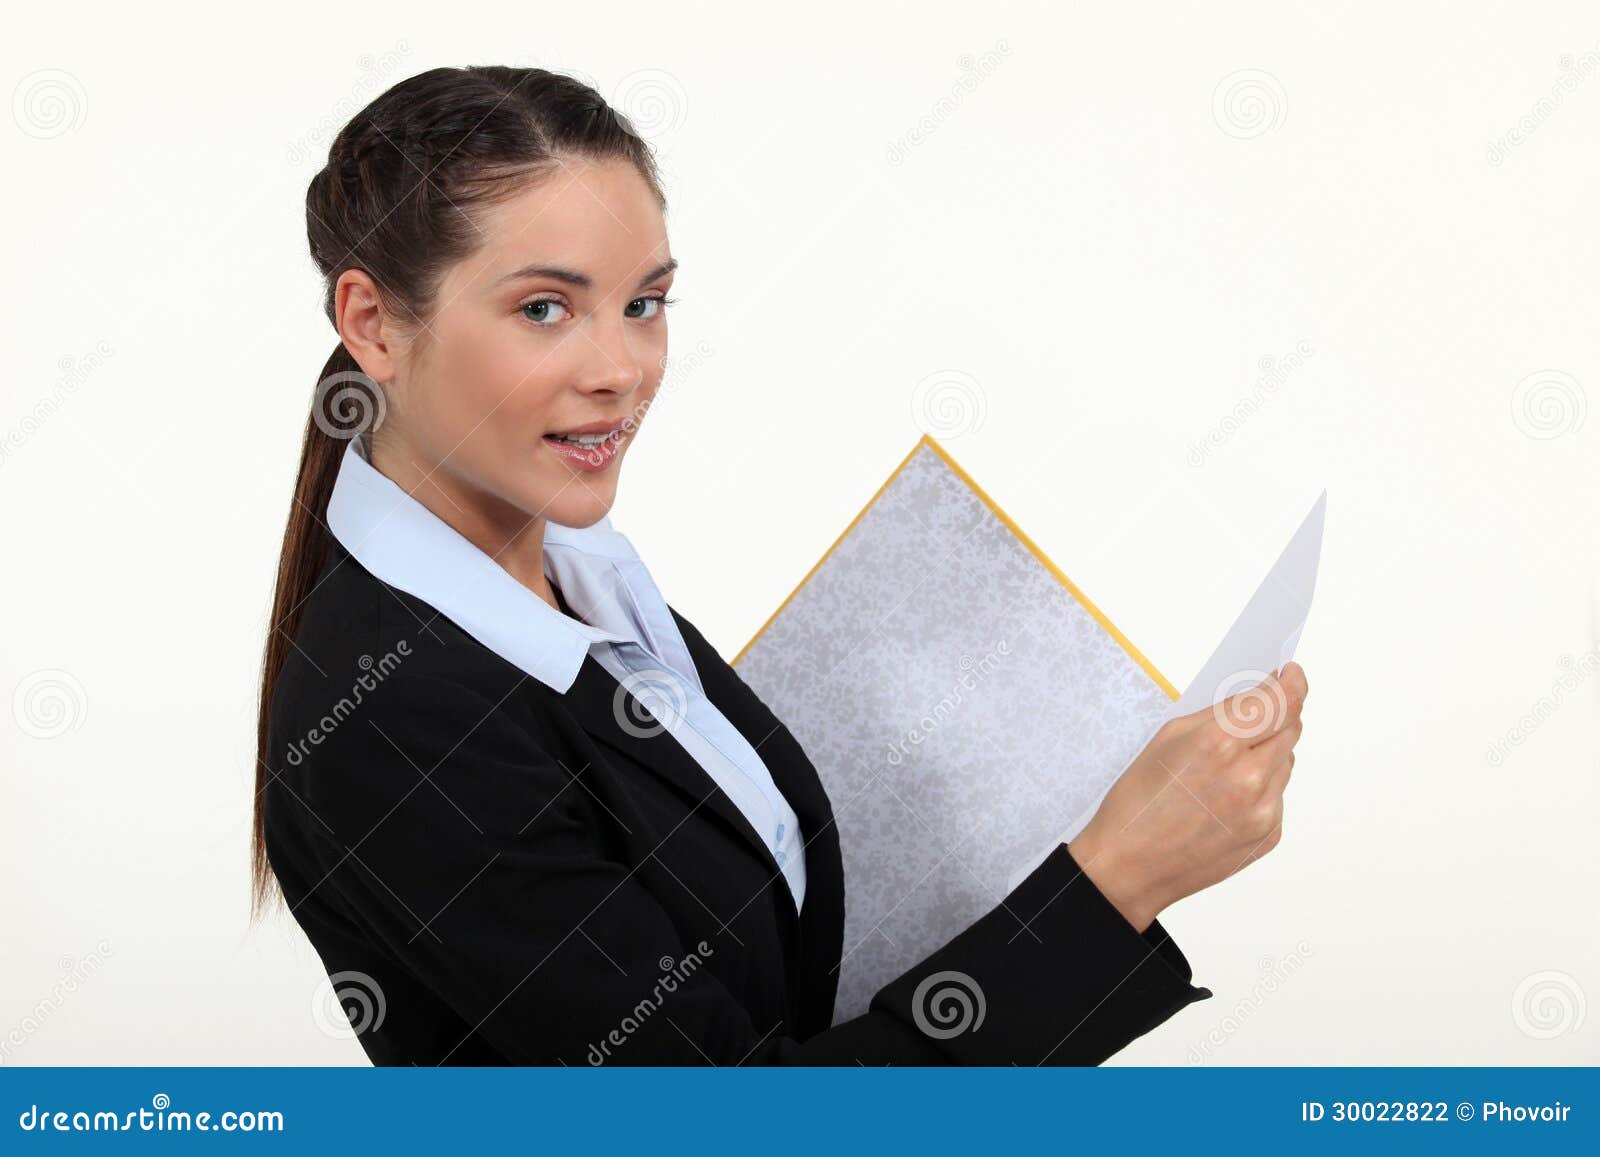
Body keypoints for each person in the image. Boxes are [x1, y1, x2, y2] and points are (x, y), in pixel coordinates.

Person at [254, 65, 1308, 1066]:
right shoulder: (393, 717)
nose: (621, 370)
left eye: (644, 303)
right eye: (544, 308)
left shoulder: (576, 573)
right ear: (373, 325)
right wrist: (1116, 875)